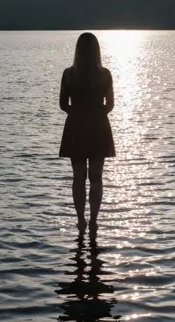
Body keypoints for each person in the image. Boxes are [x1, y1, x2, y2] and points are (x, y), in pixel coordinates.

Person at [59, 32, 115, 235]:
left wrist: (77, 113)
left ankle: (80, 220)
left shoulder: (68, 74)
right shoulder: (105, 74)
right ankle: (93, 221)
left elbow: (63, 104)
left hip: (76, 128)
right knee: (96, 177)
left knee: (79, 177)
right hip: (99, 128)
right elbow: (110, 105)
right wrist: (96, 114)